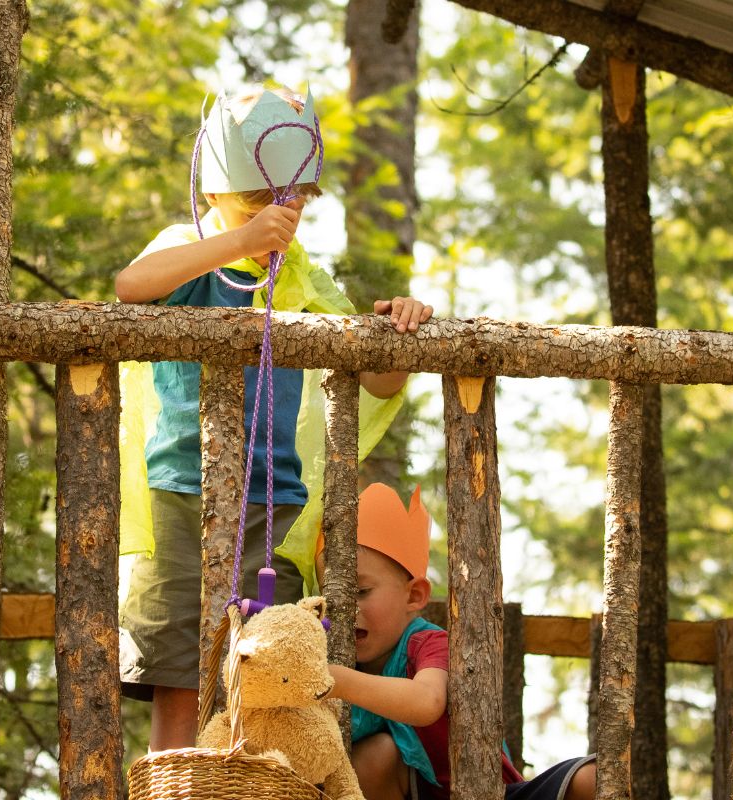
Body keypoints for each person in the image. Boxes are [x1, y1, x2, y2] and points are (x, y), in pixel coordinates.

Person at [113, 84, 435, 751]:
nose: (277, 216)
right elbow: (131, 286)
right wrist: (238, 240)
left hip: (276, 505)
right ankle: (174, 790)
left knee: (270, 672)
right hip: (181, 489)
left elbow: (372, 380)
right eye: (258, 201)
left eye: (290, 202)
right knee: (179, 665)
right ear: (219, 193)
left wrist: (398, 332)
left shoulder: (301, 277)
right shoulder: (191, 246)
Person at [324, 483, 597, 800]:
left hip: (490, 794)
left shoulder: (428, 643)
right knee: (373, 756)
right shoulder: (334, 656)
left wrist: (337, 680)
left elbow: (426, 702)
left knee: (593, 778)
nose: (345, 609)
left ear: (414, 595)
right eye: (332, 598)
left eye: (360, 592)